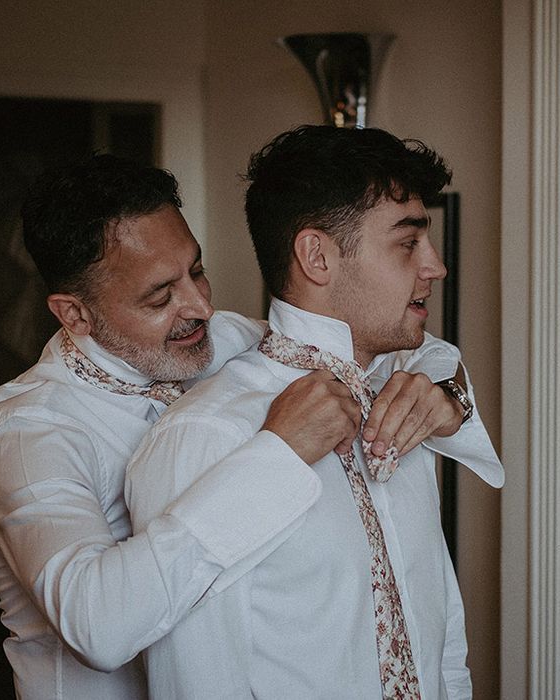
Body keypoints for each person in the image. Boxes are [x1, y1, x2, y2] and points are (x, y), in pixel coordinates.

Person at [0, 151, 479, 699]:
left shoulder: (221, 342)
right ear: (75, 314)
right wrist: (277, 455)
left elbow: (369, 342)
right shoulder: (27, 433)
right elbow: (97, 624)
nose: (199, 306)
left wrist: (447, 398)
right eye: (160, 295)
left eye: (197, 271)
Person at [125, 126, 504, 699]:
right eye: (408, 242)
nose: (435, 266)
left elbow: (441, 634)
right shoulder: (209, 436)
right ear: (316, 255)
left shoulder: (406, 399)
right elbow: (196, 683)